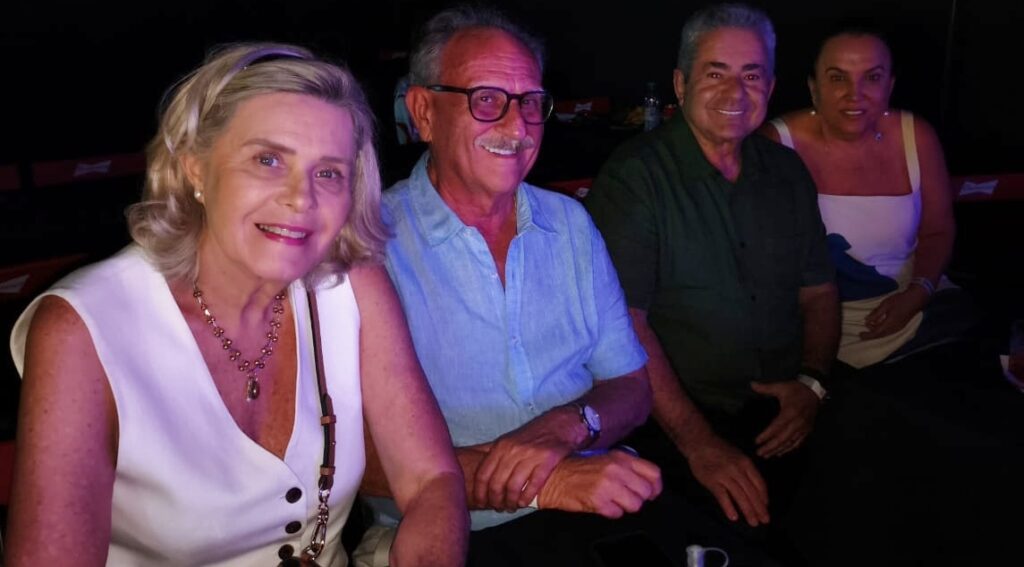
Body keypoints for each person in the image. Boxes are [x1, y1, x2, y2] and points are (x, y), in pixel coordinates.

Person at [7, 43, 467, 566]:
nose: (301, 198)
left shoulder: (350, 283)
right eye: (267, 160)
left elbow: (431, 480)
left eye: (328, 173)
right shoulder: (82, 329)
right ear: (195, 169)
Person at [354, 6, 704, 567]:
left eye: (532, 103)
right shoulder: (363, 245)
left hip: (593, 505)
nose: (518, 128)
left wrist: (571, 424)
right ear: (423, 112)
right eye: (486, 99)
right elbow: (346, 459)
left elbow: (632, 386)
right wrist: (545, 480)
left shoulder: (570, 224)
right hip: (448, 532)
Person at [586, 1, 840, 545]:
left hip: (787, 411)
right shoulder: (635, 179)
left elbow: (819, 291)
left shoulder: (788, 172)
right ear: (681, 84)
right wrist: (699, 444)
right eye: (715, 73)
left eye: (751, 75)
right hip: (675, 424)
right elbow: (624, 325)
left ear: (770, 87)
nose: (736, 92)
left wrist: (812, 385)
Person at [761, 27, 967, 369]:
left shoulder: (916, 135)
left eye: (872, 77)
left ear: (890, 86)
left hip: (913, 307)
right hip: (810, 322)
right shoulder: (777, 144)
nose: (854, 94)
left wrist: (918, 293)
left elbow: (938, 230)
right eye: (837, 78)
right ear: (814, 88)